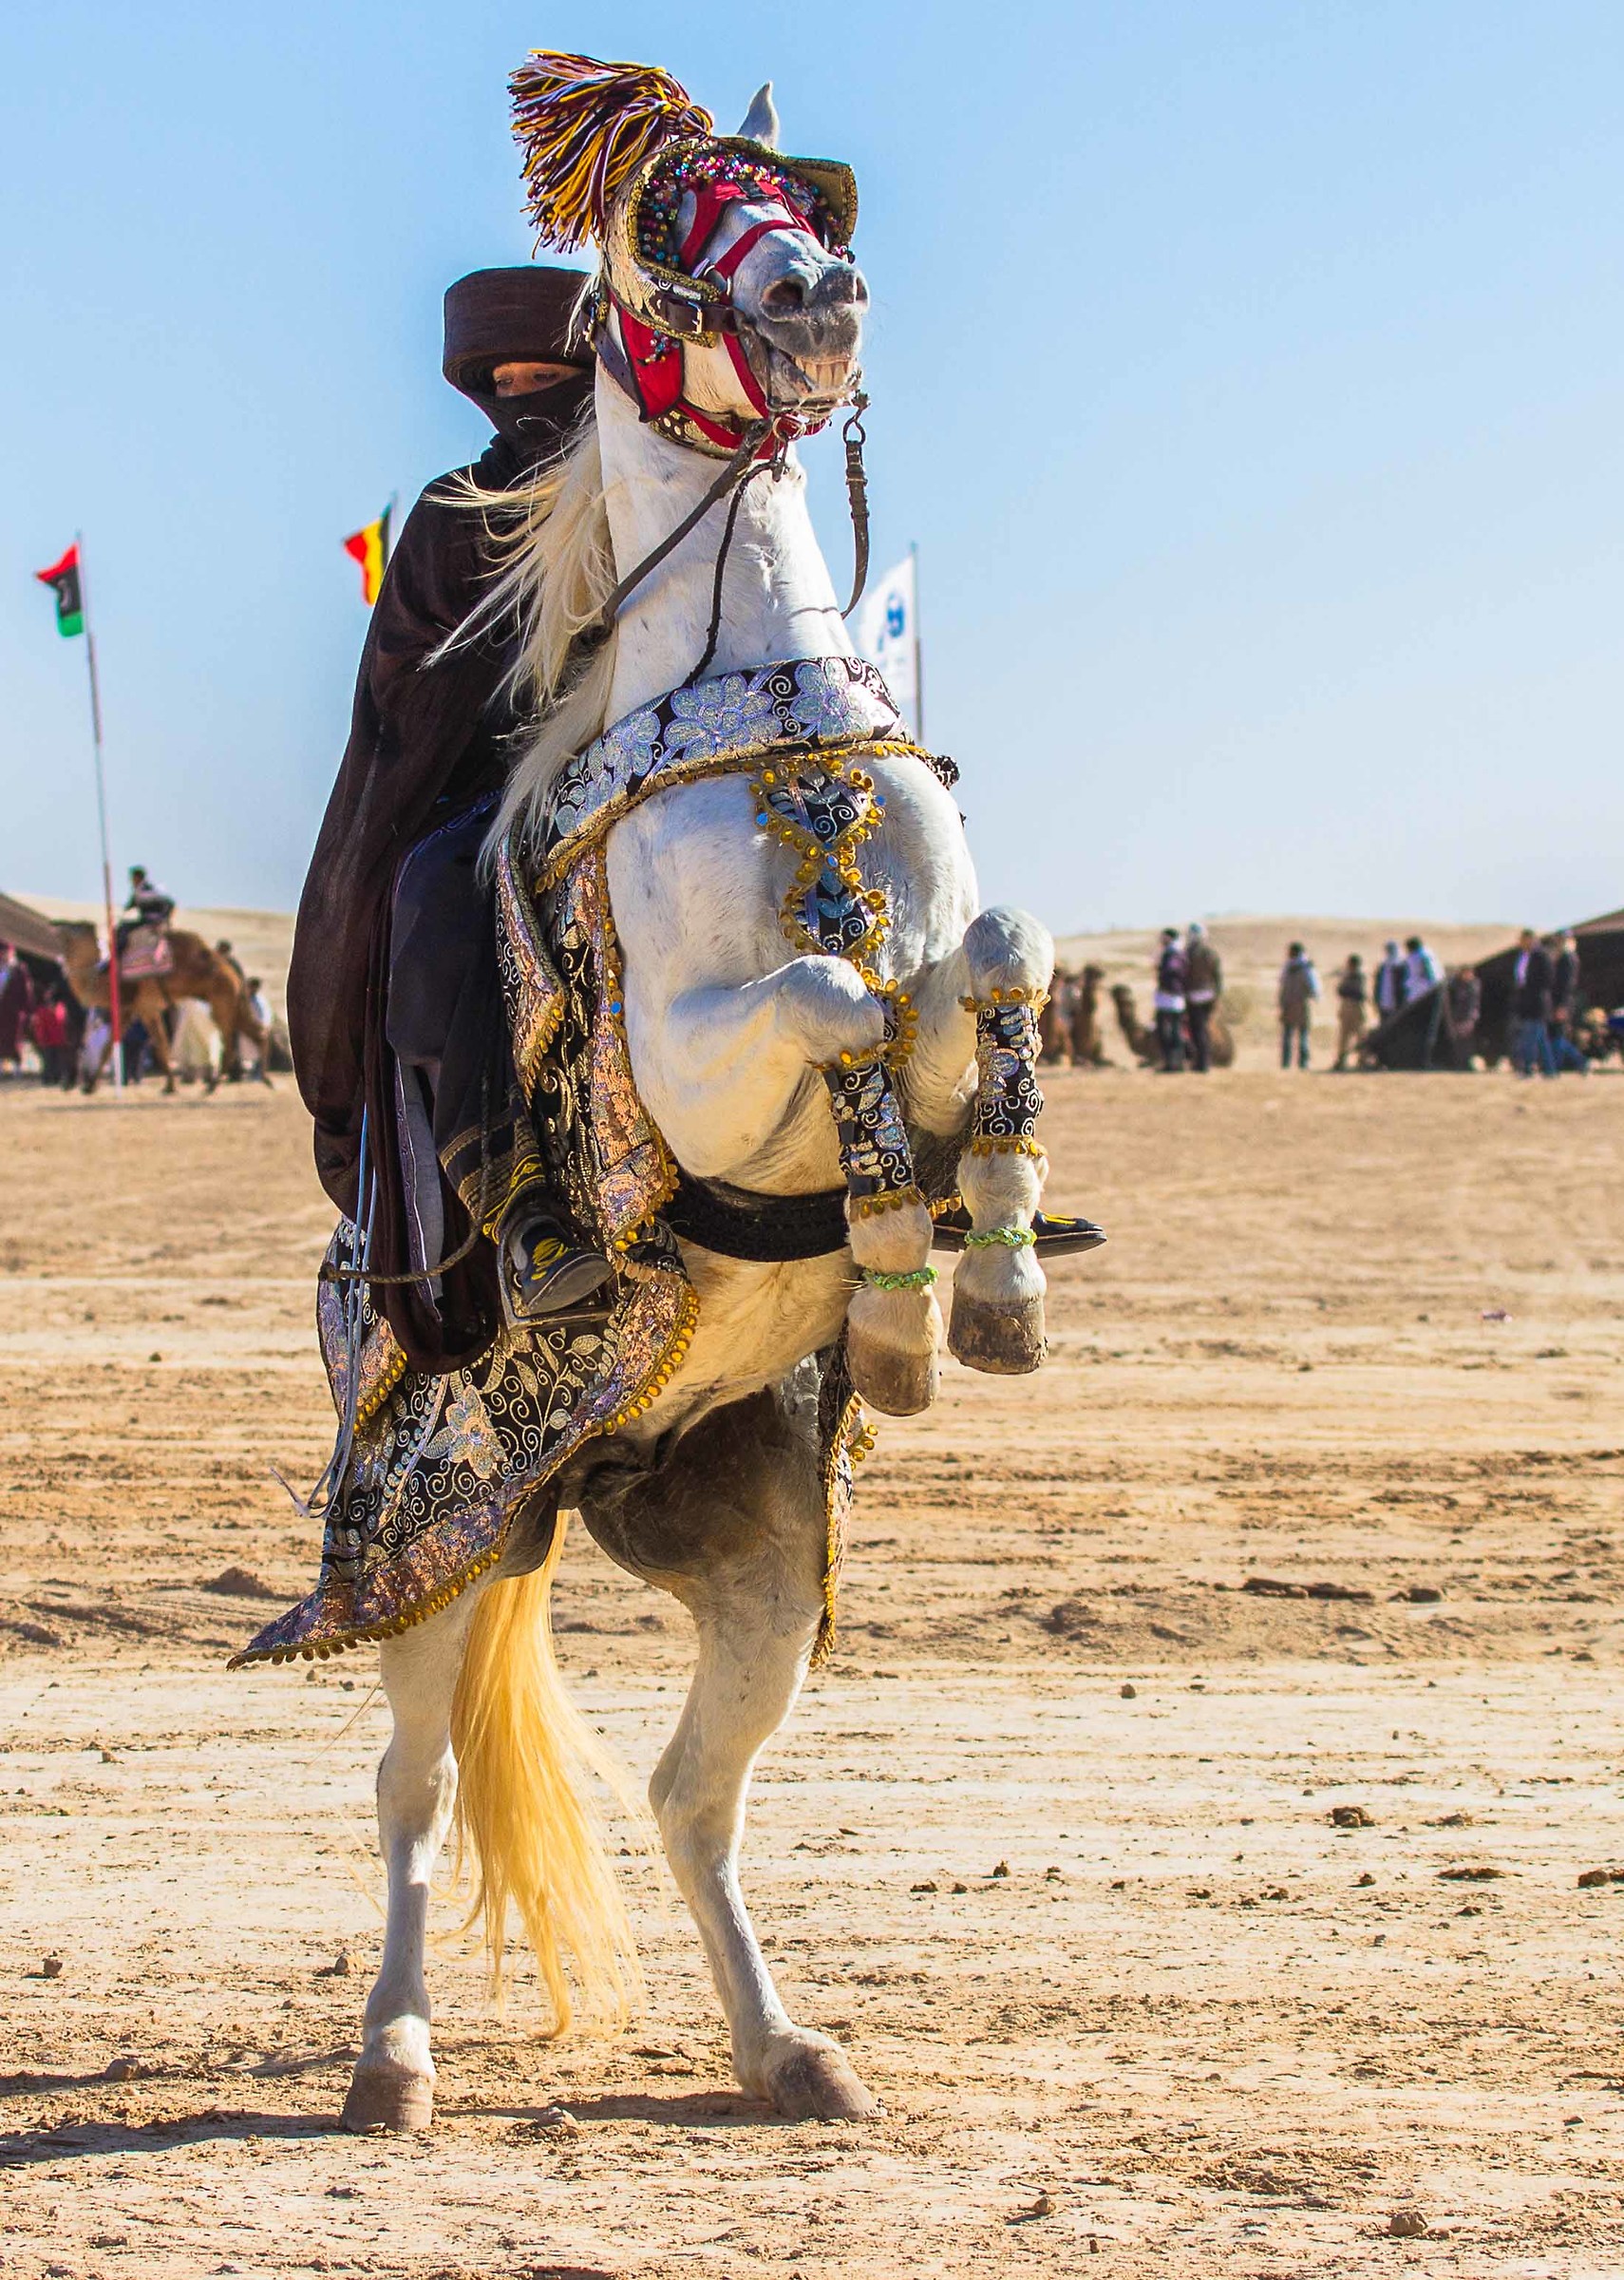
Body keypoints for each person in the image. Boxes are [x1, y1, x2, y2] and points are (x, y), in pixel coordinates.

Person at [288, 266, 602, 1373]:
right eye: (505, 381)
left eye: (549, 377)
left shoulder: (655, 488)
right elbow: (406, 683)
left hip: (654, 764)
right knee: (431, 892)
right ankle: (510, 1202)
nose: (527, 398)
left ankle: (931, 1153)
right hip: (489, 796)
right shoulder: (453, 514)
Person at [1511, 928, 1555, 1077]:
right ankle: (1549, 1070)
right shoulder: (1523, 957)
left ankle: (1527, 1068)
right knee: (1541, 1039)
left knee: (1529, 1038)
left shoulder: (1541, 956)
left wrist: (1534, 991)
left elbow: (1547, 979)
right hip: (1526, 1003)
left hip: (1537, 1003)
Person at [1183, 922, 1222, 1074]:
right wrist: (1217, 995)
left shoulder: (1188, 954)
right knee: (1202, 1029)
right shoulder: (1210, 953)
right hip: (1208, 995)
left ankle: (1202, 1063)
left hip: (1194, 996)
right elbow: (1218, 977)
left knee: (1197, 1030)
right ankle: (1202, 1061)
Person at [1549, 931, 1588, 1074]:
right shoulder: (1563, 957)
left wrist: (1562, 1006)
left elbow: (1567, 985)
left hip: (1562, 1003)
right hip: (1558, 1002)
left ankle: (1578, 1060)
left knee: (1557, 1037)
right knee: (1555, 1036)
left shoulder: (1568, 958)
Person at [1278, 941, 1319, 1070]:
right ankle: (1302, 1063)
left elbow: (1282, 984)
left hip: (1291, 1003)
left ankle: (1286, 1063)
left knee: (1290, 1035)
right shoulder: (1306, 967)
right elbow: (1313, 988)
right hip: (1300, 1003)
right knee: (1302, 1034)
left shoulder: (1289, 967)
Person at [117, 866, 175, 959]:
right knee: (123, 925)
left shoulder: (147, 890)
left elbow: (169, 903)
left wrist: (164, 918)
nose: (131, 881)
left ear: (138, 878)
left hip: (151, 920)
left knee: (124, 928)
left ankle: (118, 954)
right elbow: (129, 906)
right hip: (148, 919)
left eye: (133, 878)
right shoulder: (139, 890)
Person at [1151, 927, 1187, 1073]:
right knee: (1172, 1031)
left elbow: (1173, 971)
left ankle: (1173, 1063)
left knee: (1171, 1032)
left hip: (1170, 997)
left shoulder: (1173, 953)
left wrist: (1161, 968)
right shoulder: (1174, 952)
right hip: (1171, 997)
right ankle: (1173, 1062)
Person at [0, 944, 34, 1073]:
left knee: (14, 1040)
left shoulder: (18, 970)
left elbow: (27, 992)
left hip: (14, 1012)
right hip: (1, 1010)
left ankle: (17, 1067)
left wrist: (28, 1011)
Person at [1333, 953, 1368, 1070]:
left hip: (1355, 1007)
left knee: (1360, 1035)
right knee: (1344, 1036)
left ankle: (1362, 1059)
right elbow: (1341, 991)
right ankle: (1342, 1059)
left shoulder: (1358, 976)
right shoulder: (1348, 976)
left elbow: (1358, 993)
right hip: (1348, 1007)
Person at [29, 987, 70, 1086]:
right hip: (47, 1041)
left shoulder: (61, 1008)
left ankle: (57, 1078)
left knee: (58, 1061)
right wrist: (42, 1039)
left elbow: (64, 1024)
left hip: (59, 1040)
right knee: (48, 1061)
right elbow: (40, 1027)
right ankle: (47, 1079)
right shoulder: (42, 1010)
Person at [1447, 965, 1482, 1061]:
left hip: (1468, 1017)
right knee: (1459, 1040)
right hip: (1459, 1016)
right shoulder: (1458, 984)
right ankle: (1460, 1060)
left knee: (1466, 1039)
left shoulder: (1474, 985)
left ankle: (1467, 1060)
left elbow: (1472, 1002)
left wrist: (1470, 1018)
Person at [1373, 940, 1407, 1023]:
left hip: (1397, 1003)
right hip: (1384, 1002)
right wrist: (1376, 1000)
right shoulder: (1383, 966)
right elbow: (1378, 985)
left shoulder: (1401, 966)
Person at [1404, 935, 1441, 999]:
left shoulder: (1418, 955)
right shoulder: (1428, 952)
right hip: (1433, 987)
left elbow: (1429, 972)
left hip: (1423, 990)